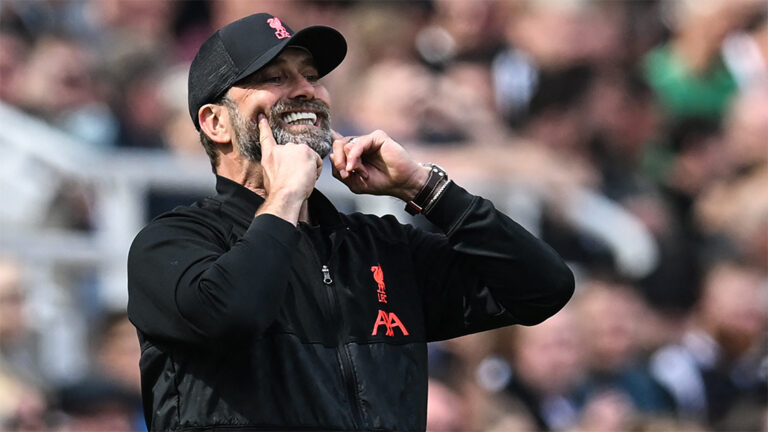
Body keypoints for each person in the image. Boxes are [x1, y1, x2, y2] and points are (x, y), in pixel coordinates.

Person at [127, 12, 574, 431]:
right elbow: (231, 315)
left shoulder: (378, 247)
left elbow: (543, 287)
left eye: (312, 76)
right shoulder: (171, 243)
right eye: (274, 78)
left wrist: (422, 187)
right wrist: (285, 195)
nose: (306, 90)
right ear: (215, 123)